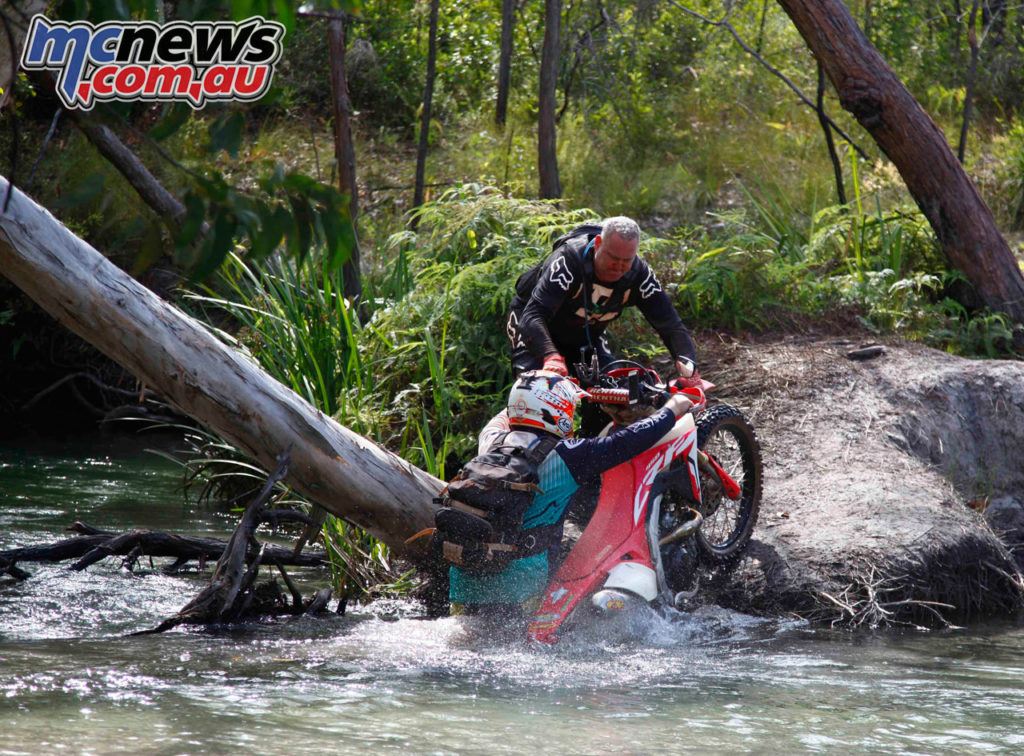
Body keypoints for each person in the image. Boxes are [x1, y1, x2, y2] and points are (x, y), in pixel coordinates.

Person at [449, 369, 692, 616]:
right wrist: (672, 408)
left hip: (464, 587)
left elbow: (508, 413)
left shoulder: (490, 440)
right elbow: (631, 439)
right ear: (557, 412)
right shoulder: (568, 456)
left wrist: (531, 385)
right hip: (522, 593)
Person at [506, 216, 698, 381]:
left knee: (615, 390)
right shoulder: (569, 261)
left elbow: (671, 326)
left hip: (586, 331)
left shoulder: (640, 275)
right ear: (598, 244)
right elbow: (533, 315)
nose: (619, 267)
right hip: (533, 325)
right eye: (613, 258)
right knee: (536, 387)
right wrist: (550, 356)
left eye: (626, 261)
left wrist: (689, 366)